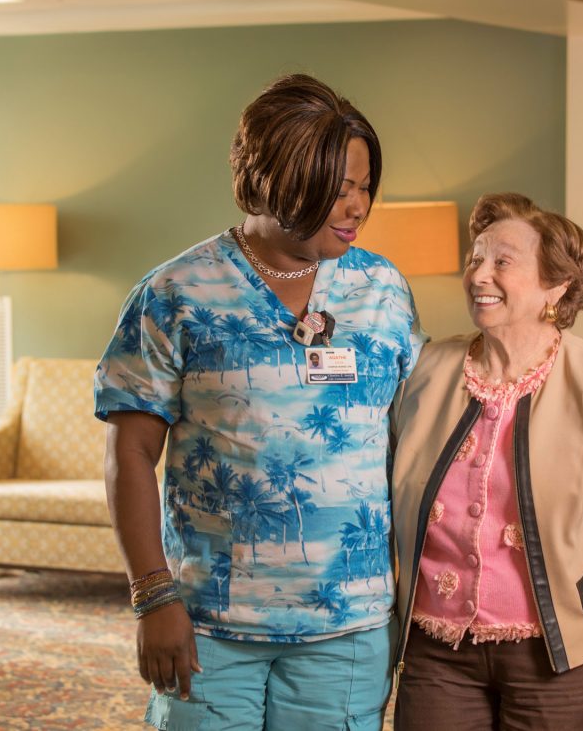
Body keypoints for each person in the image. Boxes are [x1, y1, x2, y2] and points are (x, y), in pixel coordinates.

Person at [94, 74, 425, 730]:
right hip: (208, 624)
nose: (356, 204)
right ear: (275, 177)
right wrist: (152, 595)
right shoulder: (176, 292)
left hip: (349, 626)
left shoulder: (382, 289)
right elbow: (129, 452)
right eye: (337, 186)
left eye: (363, 184)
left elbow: (417, 437)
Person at [390, 193, 583, 730]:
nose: (479, 274)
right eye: (475, 258)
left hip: (560, 652)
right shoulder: (426, 370)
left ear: (556, 285)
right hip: (437, 648)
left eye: (502, 262)